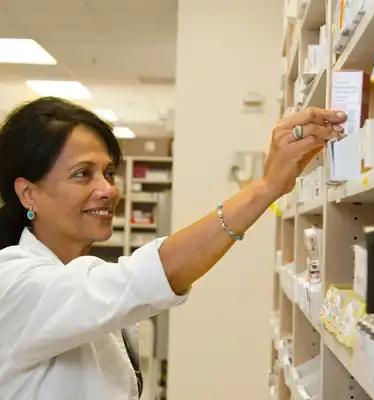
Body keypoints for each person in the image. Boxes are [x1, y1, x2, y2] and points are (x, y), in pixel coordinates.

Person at [0, 97, 346, 400]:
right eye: (82, 174)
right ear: (28, 193)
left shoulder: (77, 273)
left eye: (108, 172)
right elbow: (147, 276)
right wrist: (267, 186)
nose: (107, 189)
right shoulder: (14, 281)